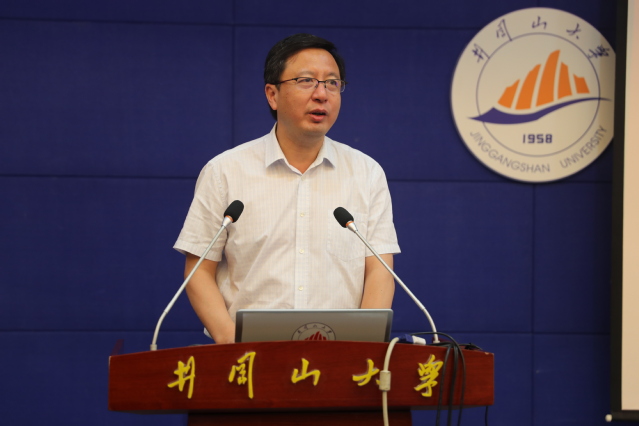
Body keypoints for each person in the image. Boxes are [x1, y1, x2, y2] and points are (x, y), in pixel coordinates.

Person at [174, 33, 400, 344]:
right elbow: (199, 270)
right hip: (248, 357)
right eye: (306, 81)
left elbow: (379, 270)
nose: (321, 94)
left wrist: (364, 348)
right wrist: (231, 344)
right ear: (272, 94)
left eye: (332, 83)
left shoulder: (366, 173)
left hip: (340, 358)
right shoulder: (225, 171)